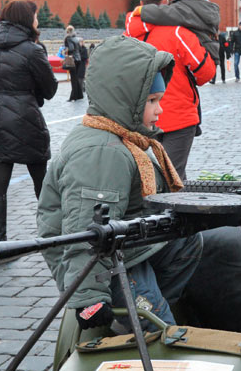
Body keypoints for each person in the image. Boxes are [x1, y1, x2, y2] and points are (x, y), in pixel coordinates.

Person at [37, 35, 202, 332]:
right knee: (157, 327)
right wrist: (90, 298)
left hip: (124, 248)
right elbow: (85, 232)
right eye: (152, 101)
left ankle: (149, 306)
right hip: (107, 263)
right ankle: (149, 323)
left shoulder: (123, 138)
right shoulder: (104, 151)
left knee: (187, 242)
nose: (159, 110)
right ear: (126, 100)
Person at [0, 0, 58, 241]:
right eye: (36, 16)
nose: (38, 20)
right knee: (41, 181)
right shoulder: (32, 50)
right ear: (27, 19)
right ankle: (52, 233)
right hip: (26, 120)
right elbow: (50, 89)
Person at [126, 0, 215, 179]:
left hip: (139, 118)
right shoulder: (178, 33)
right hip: (178, 117)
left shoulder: (127, 36)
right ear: (166, 2)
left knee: (145, 178)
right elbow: (206, 74)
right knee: (173, 179)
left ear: (140, 2)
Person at [139, 0, 221, 66]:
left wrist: (141, 10)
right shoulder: (208, 8)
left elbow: (161, 13)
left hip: (198, 55)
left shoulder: (183, 10)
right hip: (210, 52)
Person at [63, 25, 85, 102]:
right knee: (76, 77)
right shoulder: (76, 38)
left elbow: (71, 48)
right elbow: (80, 49)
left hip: (73, 60)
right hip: (78, 59)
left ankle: (73, 97)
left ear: (67, 31)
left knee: (73, 78)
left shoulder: (68, 38)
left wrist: (67, 51)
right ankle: (79, 95)